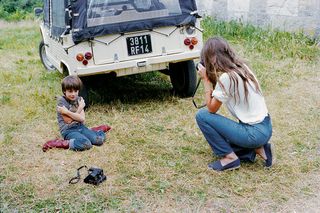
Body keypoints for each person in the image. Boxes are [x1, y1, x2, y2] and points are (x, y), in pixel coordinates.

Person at [195, 37, 273, 172]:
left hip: (253, 133)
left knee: (202, 116)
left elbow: (211, 109)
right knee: (225, 141)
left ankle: (230, 158)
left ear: (213, 58)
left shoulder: (227, 78)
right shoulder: (243, 68)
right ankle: (260, 149)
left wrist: (206, 80)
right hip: (265, 127)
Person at [42, 76, 111, 152]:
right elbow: (68, 121)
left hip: (80, 126)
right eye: (70, 91)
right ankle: (61, 143)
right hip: (68, 130)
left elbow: (82, 119)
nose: (73, 94)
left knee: (99, 141)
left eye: (76, 91)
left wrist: (68, 112)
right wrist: (79, 109)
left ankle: (95, 131)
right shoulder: (62, 102)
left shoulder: (79, 99)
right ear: (64, 91)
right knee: (86, 144)